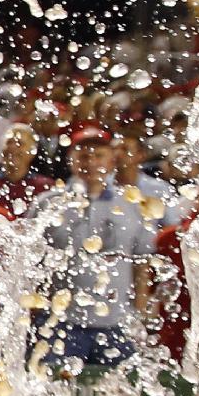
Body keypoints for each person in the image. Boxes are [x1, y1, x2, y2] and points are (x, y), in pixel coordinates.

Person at [32, 124, 155, 370]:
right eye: (83, 155)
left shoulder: (133, 206)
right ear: (72, 160)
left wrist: (139, 314)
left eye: (98, 155)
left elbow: (143, 264)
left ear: (111, 161)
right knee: (51, 394)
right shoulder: (48, 204)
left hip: (116, 324)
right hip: (60, 323)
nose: (91, 162)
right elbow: (31, 262)